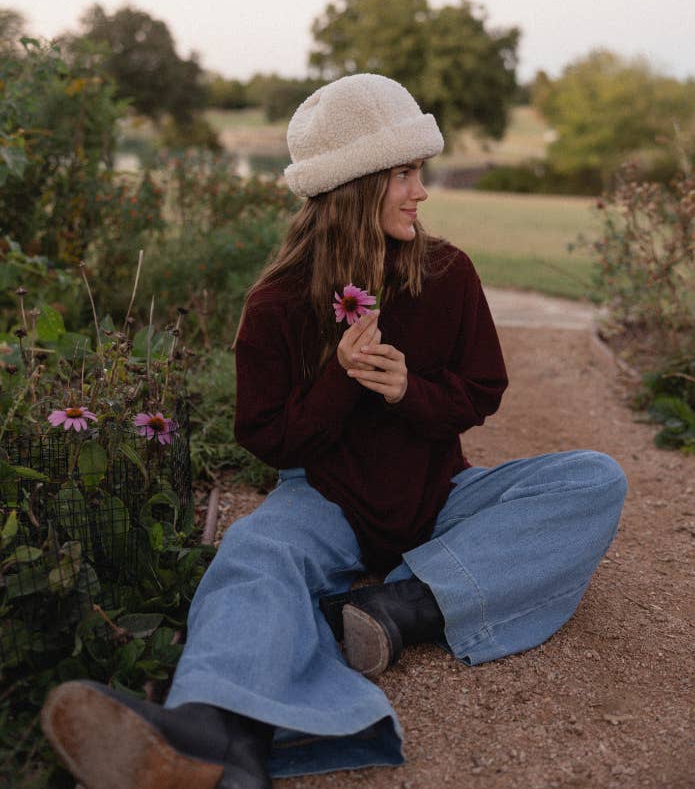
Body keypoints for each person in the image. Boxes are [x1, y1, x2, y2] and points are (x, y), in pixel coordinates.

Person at [41, 74, 627, 789]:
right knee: (255, 551)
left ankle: (399, 608)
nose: (420, 192)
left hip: (440, 496)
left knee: (593, 478)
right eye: (404, 174)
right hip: (326, 500)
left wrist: (409, 391)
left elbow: (482, 390)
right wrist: (338, 382)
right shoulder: (278, 301)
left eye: (419, 171)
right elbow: (268, 439)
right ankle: (218, 735)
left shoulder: (448, 273)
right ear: (353, 186)